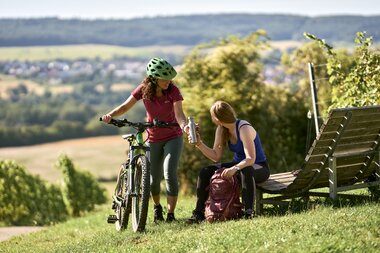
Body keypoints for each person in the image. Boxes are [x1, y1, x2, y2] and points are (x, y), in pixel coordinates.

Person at [101, 57, 187, 223]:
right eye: (165, 79)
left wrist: (185, 127)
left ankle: (171, 215)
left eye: (170, 79)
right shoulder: (143, 89)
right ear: (154, 79)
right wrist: (110, 115)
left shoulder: (173, 91)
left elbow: (180, 115)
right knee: (153, 180)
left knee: (169, 173)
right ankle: (157, 208)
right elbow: (125, 107)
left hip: (173, 135)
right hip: (154, 137)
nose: (169, 82)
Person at [187, 101, 270, 223]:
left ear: (218, 118)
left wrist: (234, 168)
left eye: (212, 116)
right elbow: (216, 156)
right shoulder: (221, 129)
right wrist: (199, 144)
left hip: (258, 167)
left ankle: (248, 213)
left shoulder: (244, 128)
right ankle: (198, 214)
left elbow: (250, 159)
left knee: (245, 170)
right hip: (239, 165)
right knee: (205, 171)